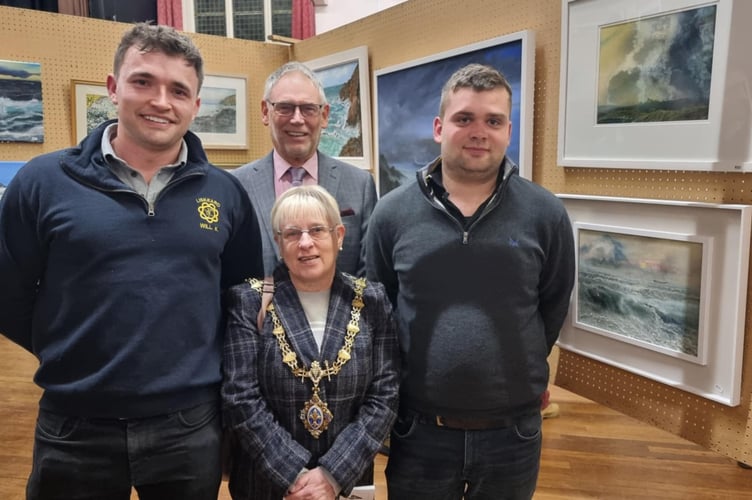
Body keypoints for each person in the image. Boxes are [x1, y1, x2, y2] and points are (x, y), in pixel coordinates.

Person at [0, 23, 263, 500]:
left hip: (188, 426)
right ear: (113, 87)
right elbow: (6, 295)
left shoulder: (226, 194)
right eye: (143, 81)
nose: (161, 101)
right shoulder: (42, 183)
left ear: (196, 105)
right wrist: (69, 350)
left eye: (178, 90)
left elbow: (240, 300)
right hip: (74, 426)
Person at [365, 63, 576, 500]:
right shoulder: (390, 214)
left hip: (512, 434)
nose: (479, 131)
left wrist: (525, 367)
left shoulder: (546, 214)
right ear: (440, 126)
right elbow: (378, 310)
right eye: (465, 119)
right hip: (418, 429)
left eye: (493, 120)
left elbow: (552, 304)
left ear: (508, 130)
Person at [222, 185, 399, 500]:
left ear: (339, 236)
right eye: (292, 234)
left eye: (317, 230)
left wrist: (332, 475)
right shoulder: (249, 301)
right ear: (279, 243)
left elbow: (385, 395)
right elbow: (240, 398)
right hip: (267, 483)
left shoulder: (372, 300)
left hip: (347, 483)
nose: (305, 243)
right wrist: (297, 477)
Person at [232, 61, 377, 277]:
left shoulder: (360, 184)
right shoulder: (236, 186)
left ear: (325, 115)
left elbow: (369, 276)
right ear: (265, 112)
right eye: (285, 108)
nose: (297, 119)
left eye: (308, 109)